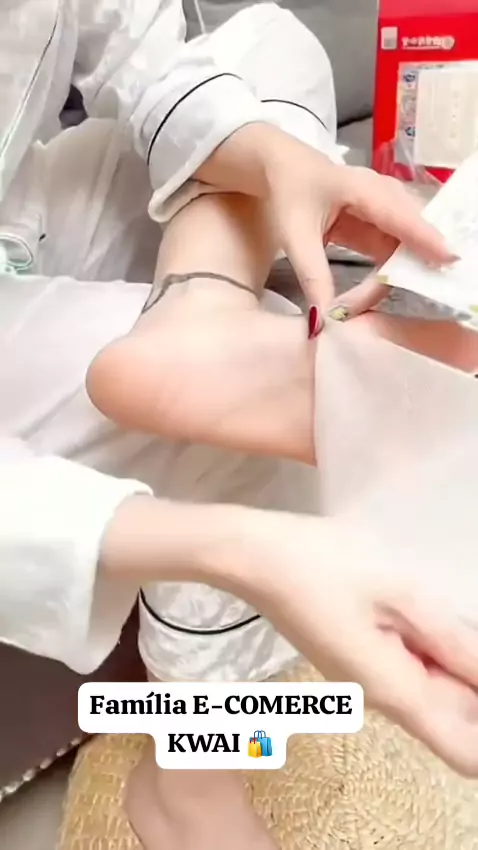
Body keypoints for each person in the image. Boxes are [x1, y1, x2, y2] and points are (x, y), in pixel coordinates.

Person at [2, 2, 478, 849]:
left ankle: (204, 311)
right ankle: (190, 786)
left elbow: (139, 41)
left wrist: (266, 156)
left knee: (269, 39)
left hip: (27, 207)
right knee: (239, 431)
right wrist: (242, 549)